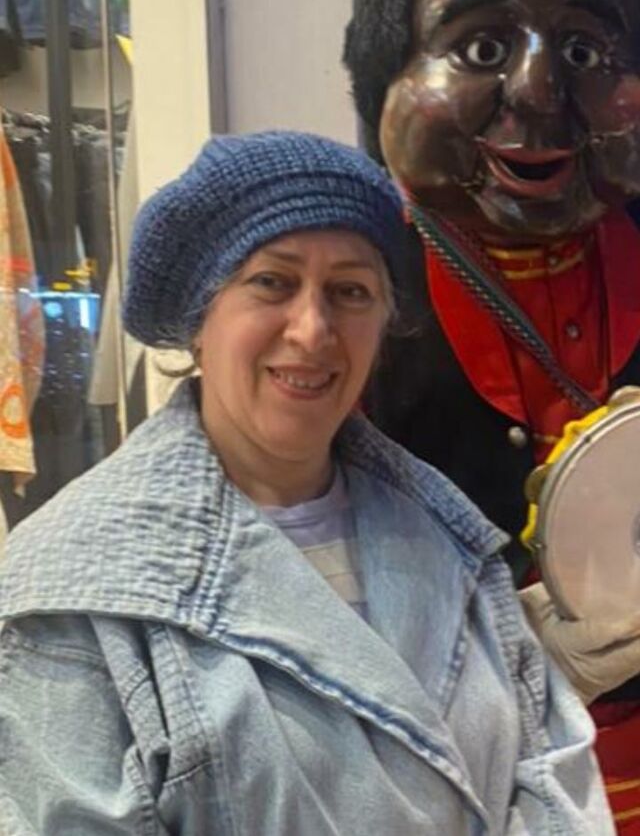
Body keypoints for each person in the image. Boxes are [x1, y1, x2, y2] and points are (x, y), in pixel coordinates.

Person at [0, 131, 613, 834]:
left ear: (384, 321)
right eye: (273, 281)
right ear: (200, 317)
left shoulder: (454, 541)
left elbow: (550, 778)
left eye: (351, 291)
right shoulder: (72, 589)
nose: (313, 329)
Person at [343, 0, 640, 828]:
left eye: (584, 52)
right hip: (472, 776)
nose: (539, 93)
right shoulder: (358, 292)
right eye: (481, 49)